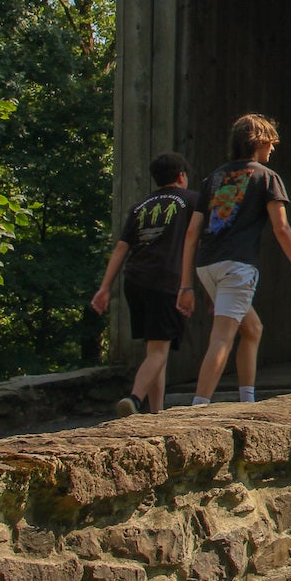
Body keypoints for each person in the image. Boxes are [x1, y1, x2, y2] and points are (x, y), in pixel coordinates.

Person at [177, 113, 291, 405]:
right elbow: (282, 228)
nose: (273, 149)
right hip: (237, 267)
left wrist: (186, 284)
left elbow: (192, 233)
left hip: (207, 265)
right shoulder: (267, 178)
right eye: (270, 143)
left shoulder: (212, 178)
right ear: (259, 142)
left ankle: (246, 400)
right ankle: (197, 407)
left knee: (252, 329)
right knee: (222, 338)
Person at [91, 152, 198, 416]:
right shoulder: (192, 200)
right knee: (160, 349)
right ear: (182, 176)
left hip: (135, 280)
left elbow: (120, 248)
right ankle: (135, 399)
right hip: (166, 279)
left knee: (154, 348)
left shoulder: (141, 206)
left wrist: (105, 288)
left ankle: (156, 412)